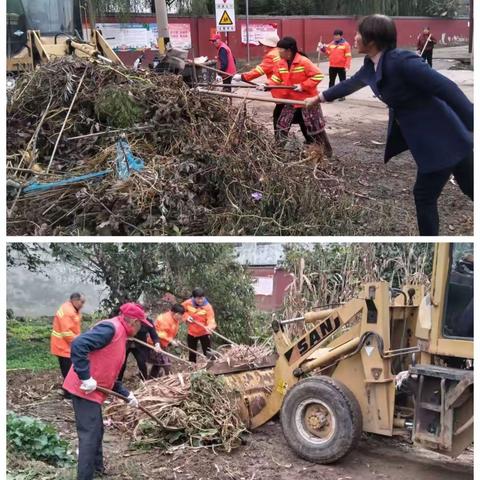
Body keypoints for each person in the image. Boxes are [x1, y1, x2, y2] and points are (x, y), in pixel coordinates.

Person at [305, 14, 473, 236]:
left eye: (358, 34)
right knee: (470, 188)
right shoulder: (372, 64)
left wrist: (472, 121)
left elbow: (446, 88)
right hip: (441, 137)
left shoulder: (401, 61)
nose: (354, 38)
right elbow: (351, 84)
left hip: (441, 137)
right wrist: (320, 98)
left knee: (424, 195)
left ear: (372, 40)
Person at [63, 303, 148, 480]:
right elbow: (79, 344)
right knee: (90, 435)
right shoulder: (110, 328)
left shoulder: (120, 333)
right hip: (83, 389)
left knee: (97, 430)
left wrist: (126, 394)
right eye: (140, 324)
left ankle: (97, 470)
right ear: (132, 321)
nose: (141, 329)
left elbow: (108, 371)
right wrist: (85, 377)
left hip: (94, 390)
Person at [270, 36, 333, 156]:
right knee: (281, 126)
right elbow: (276, 78)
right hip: (290, 101)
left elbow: (318, 76)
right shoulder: (281, 63)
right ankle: (277, 153)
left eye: (280, 50)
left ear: (289, 51)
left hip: (307, 103)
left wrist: (303, 86)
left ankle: (325, 153)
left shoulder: (303, 61)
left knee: (313, 129)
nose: (278, 52)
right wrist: (266, 85)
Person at [50, 292, 85, 399]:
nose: (83, 305)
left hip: (66, 345)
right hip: (63, 346)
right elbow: (67, 333)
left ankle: (66, 390)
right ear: (75, 301)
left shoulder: (72, 309)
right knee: (68, 370)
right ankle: (69, 393)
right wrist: (80, 343)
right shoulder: (68, 312)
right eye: (82, 302)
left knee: (69, 369)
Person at [117, 307, 161, 382]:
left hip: (140, 346)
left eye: (146, 314)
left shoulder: (148, 322)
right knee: (122, 364)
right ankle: (118, 382)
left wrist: (157, 344)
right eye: (143, 314)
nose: (145, 316)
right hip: (126, 344)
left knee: (142, 363)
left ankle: (144, 381)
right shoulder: (130, 320)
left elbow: (154, 335)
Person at [149, 303, 186, 378]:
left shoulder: (175, 319)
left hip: (163, 343)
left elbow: (170, 332)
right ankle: (170, 378)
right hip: (155, 343)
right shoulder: (164, 319)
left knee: (158, 364)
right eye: (180, 315)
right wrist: (171, 340)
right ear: (174, 313)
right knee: (166, 363)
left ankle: (151, 378)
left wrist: (173, 340)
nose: (181, 317)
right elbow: (160, 333)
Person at [182, 288, 216, 363]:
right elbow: (180, 311)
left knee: (208, 352)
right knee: (192, 353)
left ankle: (212, 367)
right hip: (192, 332)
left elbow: (211, 319)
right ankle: (192, 368)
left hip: (204, 332)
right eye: (198, 299)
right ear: (193, 298)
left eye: (202, 298)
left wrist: (210, 327)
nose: (200, 301)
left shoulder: (208, 307)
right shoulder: (187, 303)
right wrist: (186, 317)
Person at [321, 29, 352, 98]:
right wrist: (322, 49)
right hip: (332, 66)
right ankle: (330, 95)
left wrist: (347, 66)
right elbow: (328, 53)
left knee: (342, 82)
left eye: (337, 35)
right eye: (334, 35)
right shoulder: (331, 44)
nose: (335, 37)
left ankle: (342, 95)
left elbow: (348, 56)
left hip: (342, 67)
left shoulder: (346, 45)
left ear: (341, 36)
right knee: (331, 81)